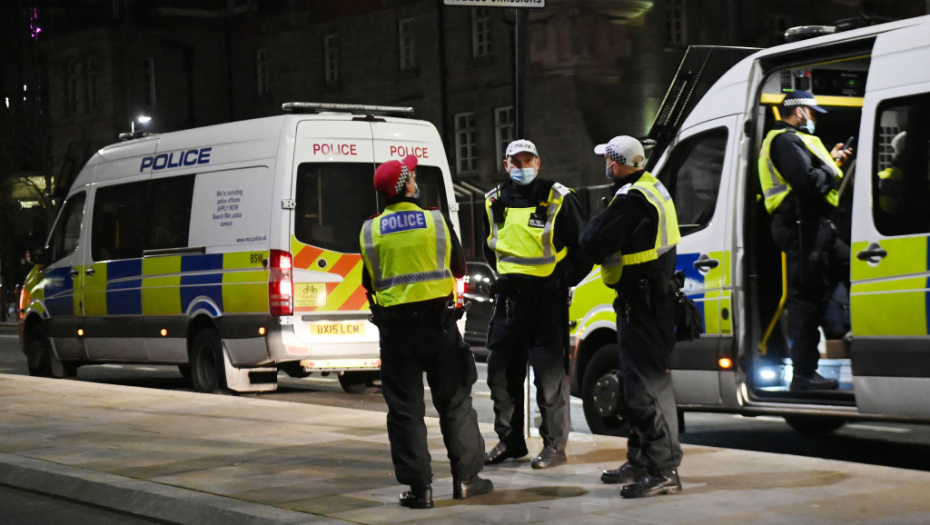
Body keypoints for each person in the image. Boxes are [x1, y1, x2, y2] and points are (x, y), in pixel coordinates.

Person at [359, 155, 493, 509]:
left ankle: (420, 490)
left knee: (405, 411)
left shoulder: (370, 230)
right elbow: (460, 267)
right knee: (455, 403)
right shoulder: (435, 220)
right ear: (406, 186)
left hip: (397, 333)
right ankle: (467, 480)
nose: (415, 179)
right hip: (440, 327)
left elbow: (369, 282)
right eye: (412, 176)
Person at [579, 135, 684, 499]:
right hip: (646, 300)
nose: (605, 168)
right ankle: (641, 459)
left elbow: (592, 239)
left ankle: (663, 469)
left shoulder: (633, 198)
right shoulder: (651, 187)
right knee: (637, 383)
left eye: (607, 161)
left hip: (644, 304)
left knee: (648, 388)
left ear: (616, 164)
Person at [482, 139, 591, 469]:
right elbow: (492, 247)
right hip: (508, 301)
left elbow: (583, 246)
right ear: (506, 165)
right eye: (515, 161)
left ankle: (554, 446)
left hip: (546, 301)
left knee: (549, 379)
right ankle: (510, 441)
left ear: (538, 163)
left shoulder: (559, 197)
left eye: (527, 160)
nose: (521, 166)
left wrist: (561, 280)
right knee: (500, 376)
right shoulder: (493, 200)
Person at [758, 90, 853, 391]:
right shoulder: (785, 140)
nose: (813, 120)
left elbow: (813, 172)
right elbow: (806, 182)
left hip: (814, 226)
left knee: (855, 268)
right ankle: (803, 375)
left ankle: (847, 331)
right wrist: (831, 169)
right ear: (800, 112)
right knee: (805, 301)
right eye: (812, 113)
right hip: (800, 227)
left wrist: (832, 160)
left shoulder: (794, 140)